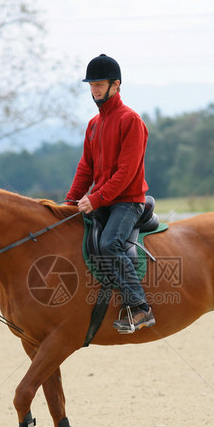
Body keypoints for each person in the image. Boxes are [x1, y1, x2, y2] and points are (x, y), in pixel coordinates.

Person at [64, 54, 156, 333]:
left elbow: (126, 173)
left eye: (99, 84)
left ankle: (140, 308)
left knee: (109, 244)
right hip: (103, 200)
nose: (94, 89)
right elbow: (85, 169)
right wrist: (70, 202)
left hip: (127, 202)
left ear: (116, 85)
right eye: (91, 84)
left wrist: (95, 199)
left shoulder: (131, 121)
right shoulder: (93, 124)